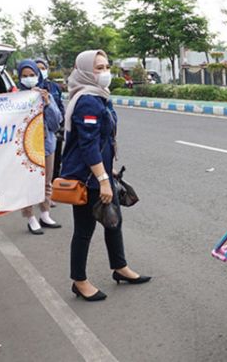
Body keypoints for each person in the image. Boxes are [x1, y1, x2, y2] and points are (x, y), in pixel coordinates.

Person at [61, 49, 150, 302]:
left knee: (114, 221)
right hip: (87, 178)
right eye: (98, 68)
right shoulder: (87, 100)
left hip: (100, 172)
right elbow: (88, 146)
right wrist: (102, 180)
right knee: (84, 230)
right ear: (86, 72)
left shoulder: (99, 97)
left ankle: (120, 267)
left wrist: (108, 170)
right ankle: (79, 281)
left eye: (106, 67)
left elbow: (102, 141)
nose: (105, 73)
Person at [17, 59, 62, 234]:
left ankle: (45, 214)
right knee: (28, 184)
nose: (29, 79)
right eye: (25, 76)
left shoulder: (46, 94)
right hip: (26, 149)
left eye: (32, 75)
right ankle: (30, 217)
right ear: (19, 77)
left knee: (46, 182)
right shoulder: (14, 97)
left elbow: (55, 123)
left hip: (47, 145)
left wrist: (47, 103)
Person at [34, 58, 65, 183]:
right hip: (34, 134)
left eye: (43, 68)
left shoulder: (54, 88)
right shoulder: (21, 93)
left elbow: (60, 107)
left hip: (53, 129)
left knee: (55, 159)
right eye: (38, 69)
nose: (41, 71)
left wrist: (61, 124)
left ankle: (52, 186)